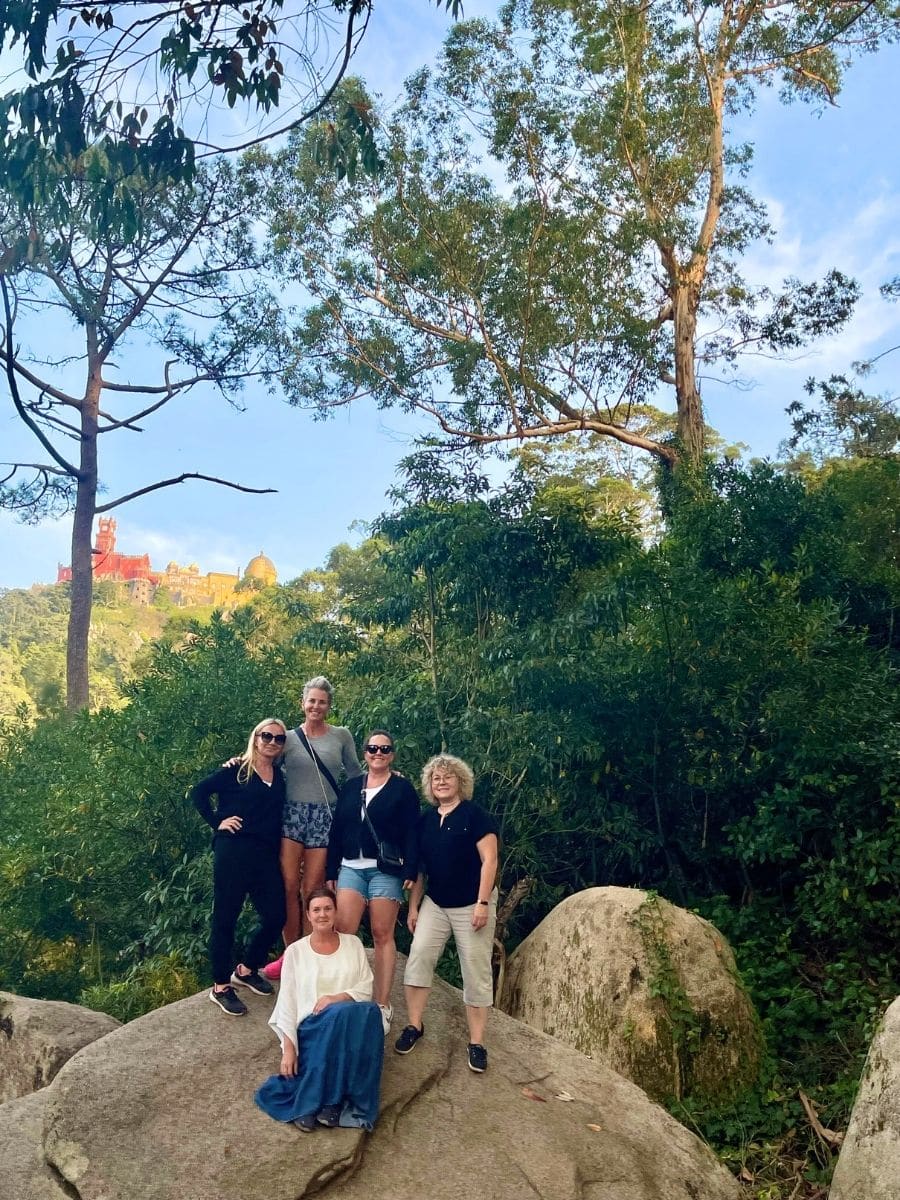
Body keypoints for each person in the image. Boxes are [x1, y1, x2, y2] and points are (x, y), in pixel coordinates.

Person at [394, 754, 499, 1073]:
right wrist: (413, 906)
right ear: (430, 785)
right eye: (436, 778)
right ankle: (414, 1025)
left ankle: (477, 1042)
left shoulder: (475, 815)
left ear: (461, 781)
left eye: (447, 777)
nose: (441, 782)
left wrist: (482, 903)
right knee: (419, 957)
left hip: (472, 903)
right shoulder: (426, 820)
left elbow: (490, 861)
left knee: (475, 968)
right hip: (436, 903)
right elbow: (421, 870)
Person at [255, 888, 384, 1132]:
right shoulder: (296, 952)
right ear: (308, 915)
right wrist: (288, 1050)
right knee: (344, 1015)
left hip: (349, 1026)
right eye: (316, 910)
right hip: (313, 1027)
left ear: (335, 912)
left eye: (327, 908)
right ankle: (318, 1103)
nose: (322, 914)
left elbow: (366, 986)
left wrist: (337, 997)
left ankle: (334, 1104)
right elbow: (287, 1001)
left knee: (369, 1012)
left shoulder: (353, 944)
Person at [325, 729, 421, 1034]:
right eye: (372, 748)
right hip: (350, 866)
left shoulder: (403, 789)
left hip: (385, 869)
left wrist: (411, 870)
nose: (377, 753)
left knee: (382, 934)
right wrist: (330, 870)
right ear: (364, 753)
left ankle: (381, 1005)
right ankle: (344, 994)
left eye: (384, 749)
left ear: (392, 754)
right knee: (344, 932)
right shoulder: (351, 787)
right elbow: (337, 831)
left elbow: (413, 834)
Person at [266, 675, 361, 978]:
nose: (316, 706)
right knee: (288, 886)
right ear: (303, 702)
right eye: (312, 701)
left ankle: (310, 951)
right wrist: (236, 764)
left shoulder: (341, 735)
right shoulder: (288, 738)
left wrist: (387, 775)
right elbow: (265, 763)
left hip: (325, 815)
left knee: (312, 890)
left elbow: (357, 773)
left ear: (329, 705)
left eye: (322, 701)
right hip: (292, 813)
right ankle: (290, 953)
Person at [192, 718, 288, 1016]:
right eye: (267, 736)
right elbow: (198, 793)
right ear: (256, 737)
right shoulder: (236, 770)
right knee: (226, 918)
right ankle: (221, 986)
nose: (272, 742)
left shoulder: (280, 775)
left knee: (276, 916)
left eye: (279, 739)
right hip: (233, 851)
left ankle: (246, 969)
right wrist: (217, 823)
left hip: (264, 855)